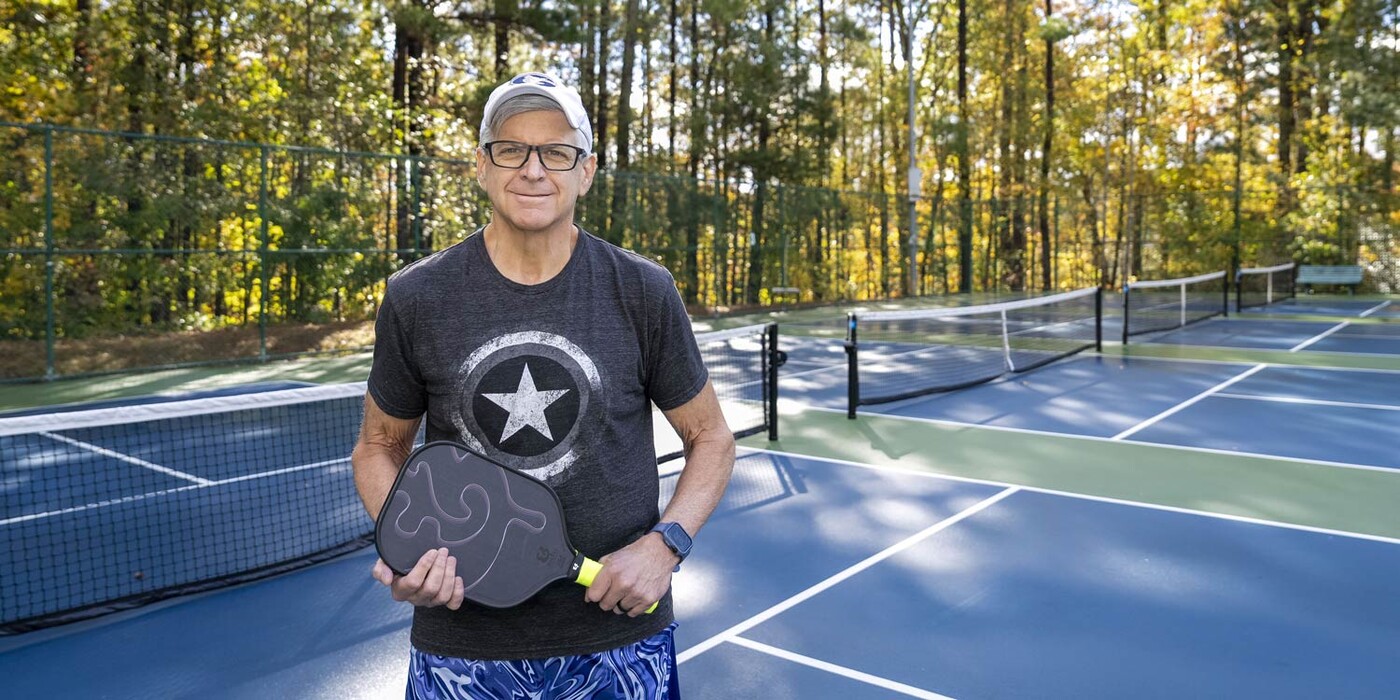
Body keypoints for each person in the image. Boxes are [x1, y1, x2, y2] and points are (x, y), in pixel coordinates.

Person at [350, 71, 735, 699]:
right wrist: (409, 545)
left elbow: (712, 437)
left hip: (620, 642)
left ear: (584, 171)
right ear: (481, 165)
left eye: (556, 151)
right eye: (511, 149)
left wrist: (665, 546)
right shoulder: (417, 296)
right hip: (462, 650)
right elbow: (377, 445)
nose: (534, 169)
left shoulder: (642, 290)